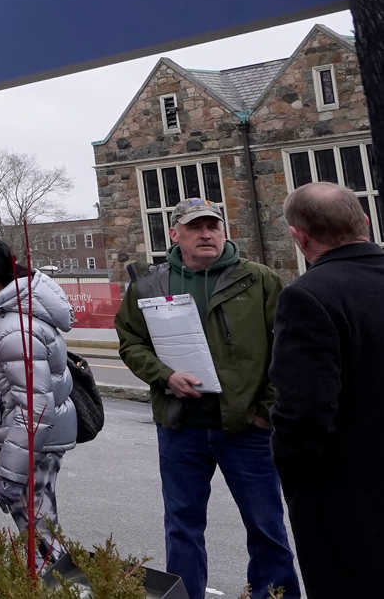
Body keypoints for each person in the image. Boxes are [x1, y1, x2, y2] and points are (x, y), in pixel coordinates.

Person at [114, 198, 298, 599]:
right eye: (195, 227)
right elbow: (131, 342)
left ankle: (275, 594)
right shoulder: (150, 285)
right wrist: (165, 376)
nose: (206, 234)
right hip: (182, 427)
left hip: (247, 428)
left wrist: (265, 412)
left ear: (224, 231)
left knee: (266, 525)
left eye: (213, 226)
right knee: (182, 526)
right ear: (174, 234)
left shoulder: (259, 279)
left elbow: (287, 349)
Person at [269, 181, 384, 597]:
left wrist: (295, 478)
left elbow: (303, 412)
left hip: (347, 502)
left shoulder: (309, 297)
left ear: (299, 237)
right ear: (364, 222)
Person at [0, 234, 75, 565]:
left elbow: (35, 406)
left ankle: (68, 589)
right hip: (24, 440)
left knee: (39, 534)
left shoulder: (12, 325)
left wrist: (11, 473)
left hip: (30, 442)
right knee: (36, 527)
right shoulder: (2, 316)